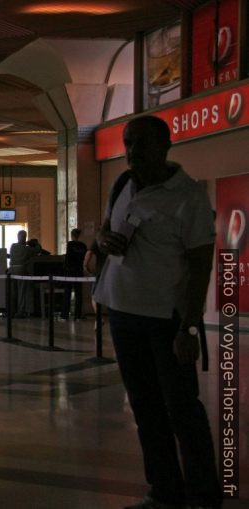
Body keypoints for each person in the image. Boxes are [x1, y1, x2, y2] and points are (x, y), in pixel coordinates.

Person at [93, 115, 220, 509]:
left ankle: (203, 493)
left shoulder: (187, 196)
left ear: (165, 146)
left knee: (181, 407)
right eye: (128, 142)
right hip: (123, 312)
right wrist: (102, 239)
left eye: (142, 143)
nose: (132, 151)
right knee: (145, 407)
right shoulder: (122, 184)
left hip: (165, 318)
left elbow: (200, 265)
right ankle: (164, 489)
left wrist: (189, 327)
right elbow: (104, 229)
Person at [8, 230, 40, 317]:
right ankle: (20, 312)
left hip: (11, 271)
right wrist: (35, 243)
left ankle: (11, 311)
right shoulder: (27, 249)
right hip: (21, 271)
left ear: (17, 237)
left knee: (13, 292)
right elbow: (38, 250)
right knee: (21, 292)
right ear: (25, 237)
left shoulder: (13, 246)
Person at [61, 228, 87, 320]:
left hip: (70, 271)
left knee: (67, 292)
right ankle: (78, 315)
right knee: (78, 293)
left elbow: (68, 257)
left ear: (72, 235)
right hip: (79, 270)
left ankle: (65, 315)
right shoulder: (83, 246)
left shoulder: (70, 244)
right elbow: (83, 258)